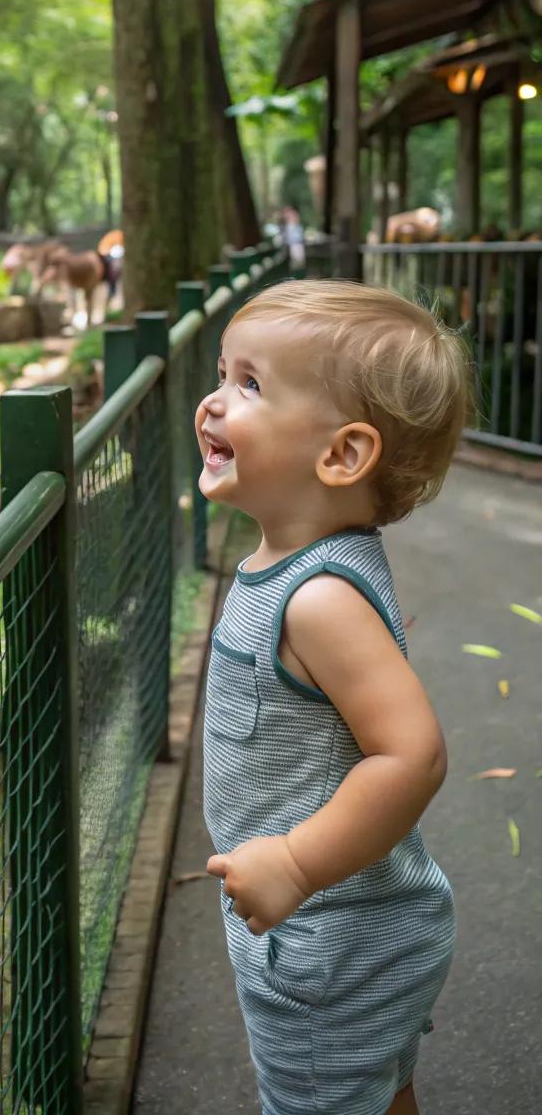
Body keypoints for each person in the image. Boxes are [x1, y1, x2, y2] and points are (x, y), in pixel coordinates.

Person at [195, 278, 470, 1115]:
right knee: (374, 1091)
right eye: (222, 372)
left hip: (330, 938)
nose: (211, 403)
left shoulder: (316, 599)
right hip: (350, 927)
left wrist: (295, 861)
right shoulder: (299, 565)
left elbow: (413, 753)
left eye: (250, 384)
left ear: (343, 456)